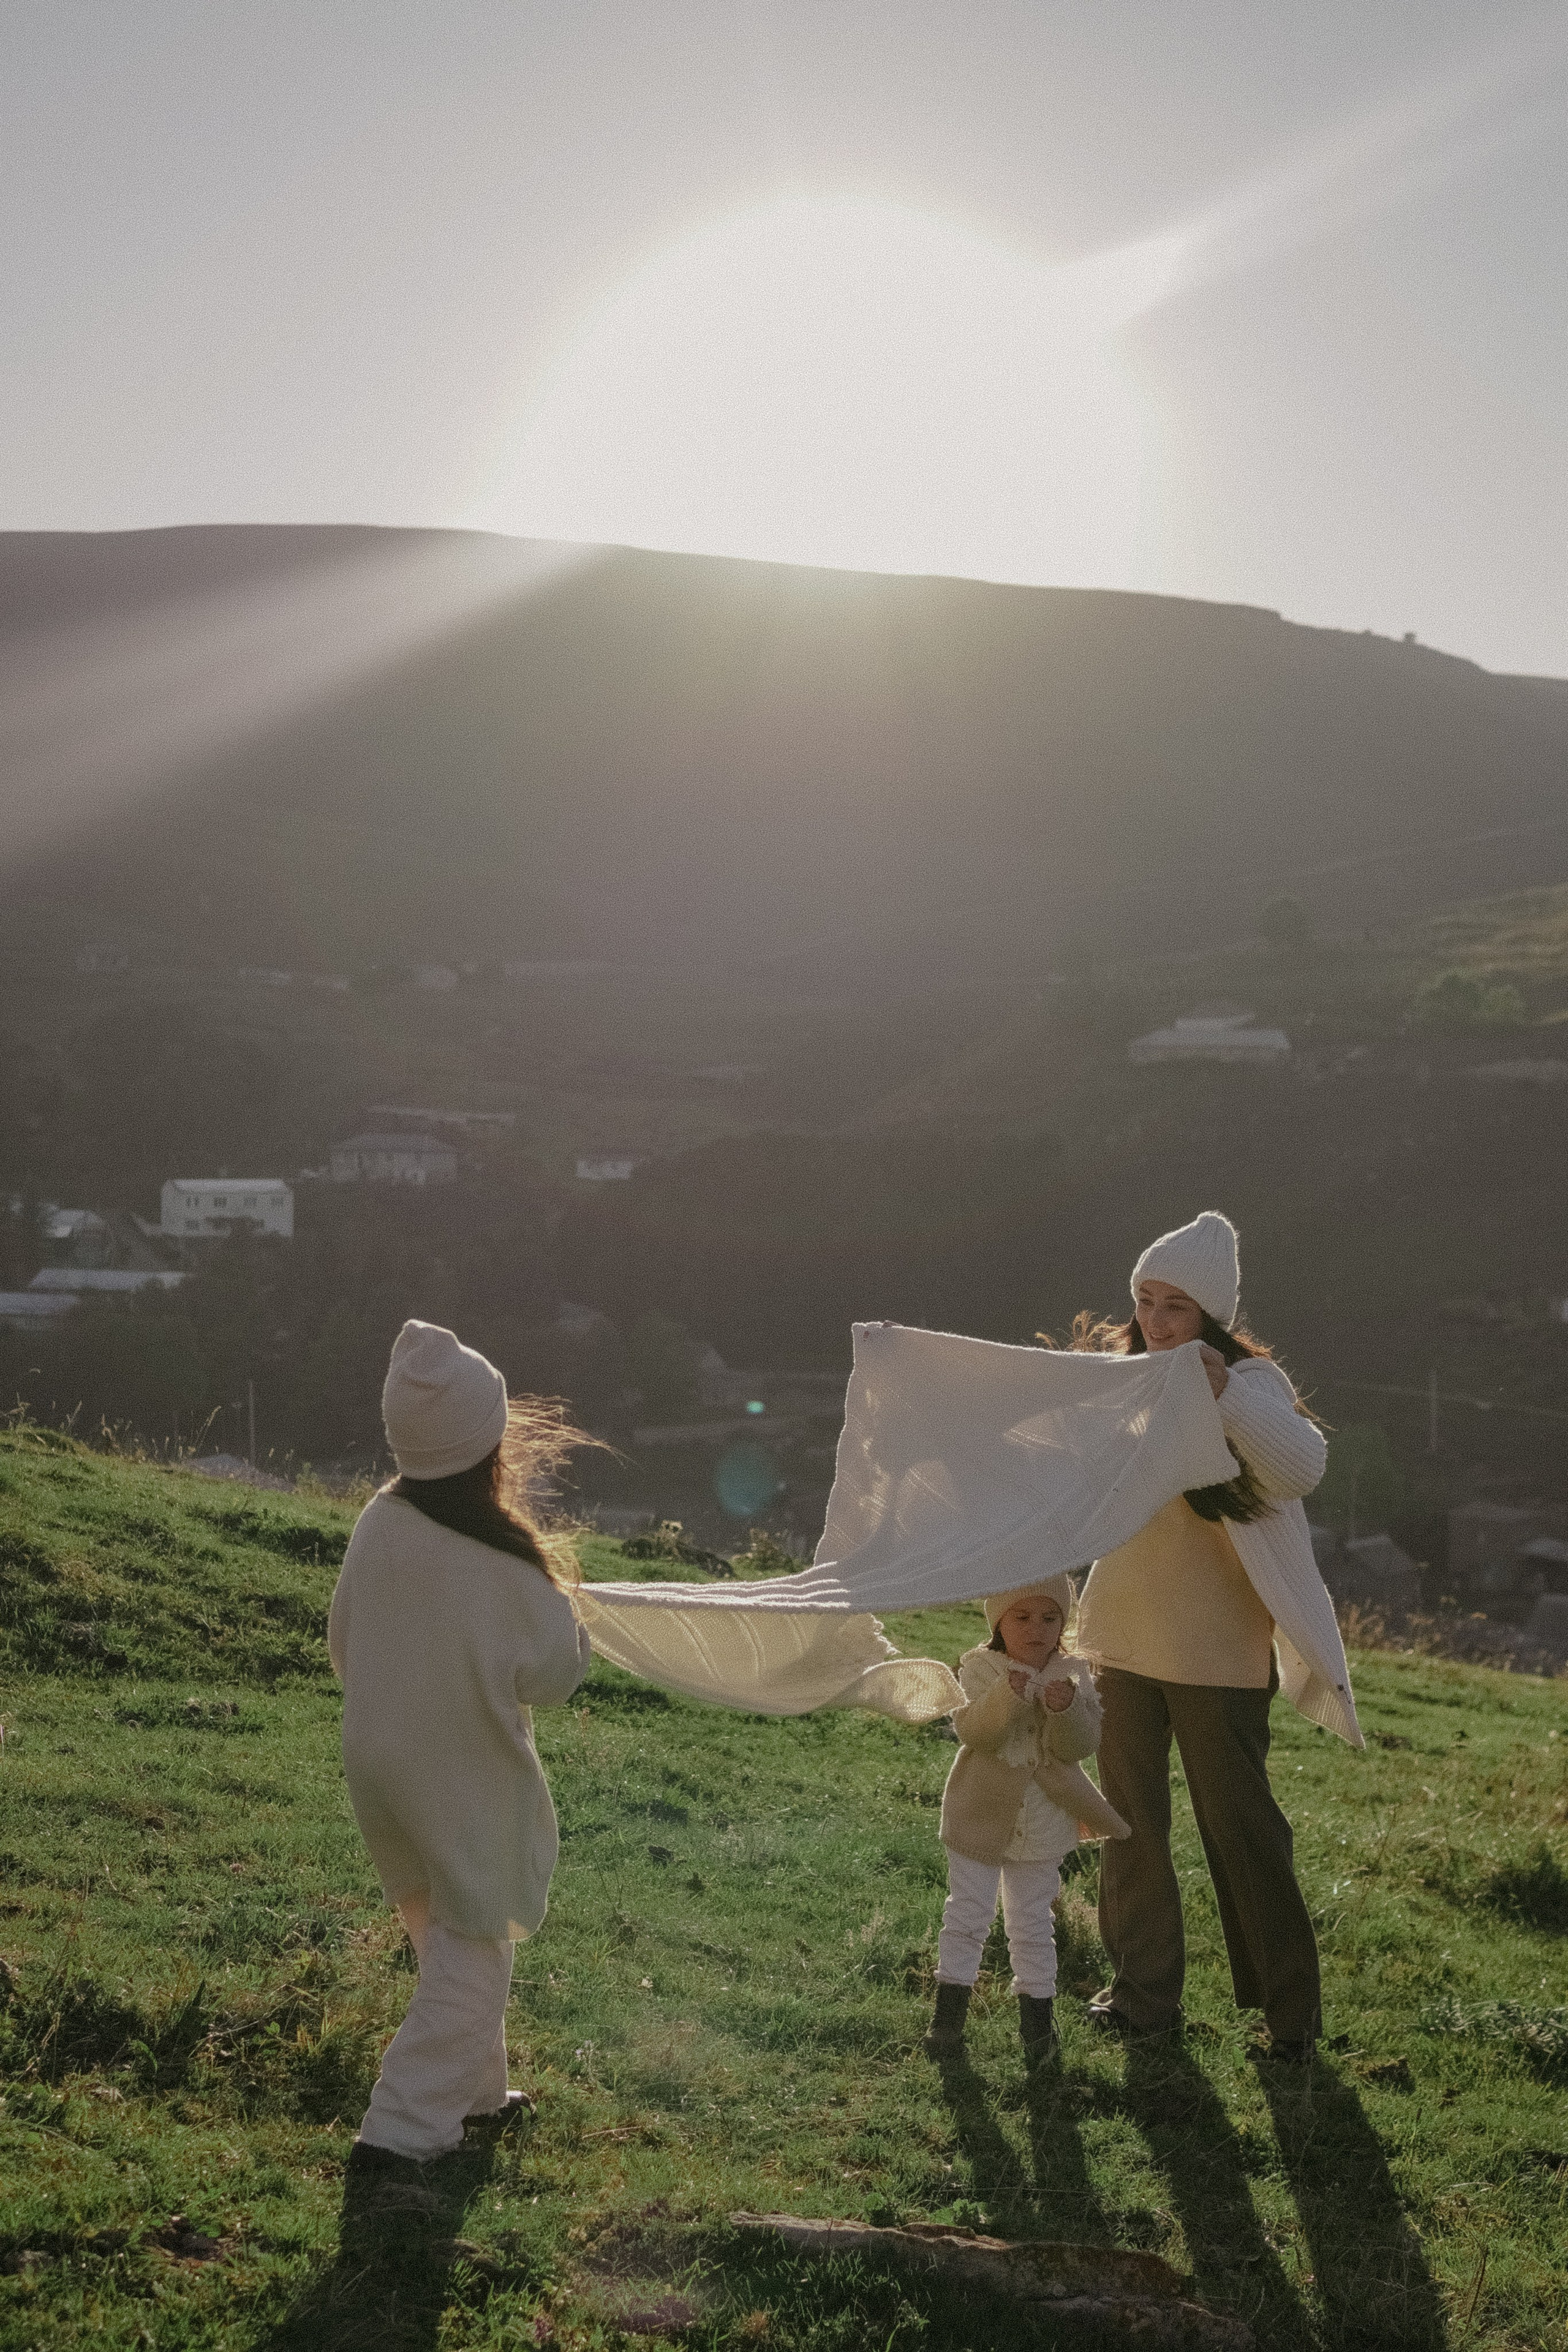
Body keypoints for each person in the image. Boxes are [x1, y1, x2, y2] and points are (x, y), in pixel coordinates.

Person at [1069, 1211, 1361, 2063]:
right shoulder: (1121, 1378)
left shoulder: (1252, 1382)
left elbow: (1302, 1467)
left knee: (1241, 1829)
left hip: (1218, 1651)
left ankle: (1291, 2021)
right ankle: (1141, 1999)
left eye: (1177, 1307)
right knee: (1127, 1823)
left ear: (1212, 1317)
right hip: (1120, 1636)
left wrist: (1222, 1392)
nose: (1157, 1321)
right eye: (1146, 1301)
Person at [328, 1320, 592, 2170]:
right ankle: (401, 2132)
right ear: (490, 1446)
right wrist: (570, 1615)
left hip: (379, 1767)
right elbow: (554, 1674)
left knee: (443, 1936)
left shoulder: (380, 1521)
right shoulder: (502, 1562)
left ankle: (475, 2097)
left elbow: (343, 1641)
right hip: (458, 1779)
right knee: (476, 1953)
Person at [925, 1574, 1129, 2062]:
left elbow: (1079, 1747)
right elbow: (977, 1734)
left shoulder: (1075, 1673)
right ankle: (947, 2024)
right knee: (968, 1913)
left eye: (1050, 1618)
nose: (1036, 1629)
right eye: (1022, 1617)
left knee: (1033, 1922)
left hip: (1043, 1821)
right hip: (980, 1814)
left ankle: (1038, 2031)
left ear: (1063, 1622)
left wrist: (1066, 1710)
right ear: (999, 1620)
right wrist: (1008, 1697)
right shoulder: (980, 1668)